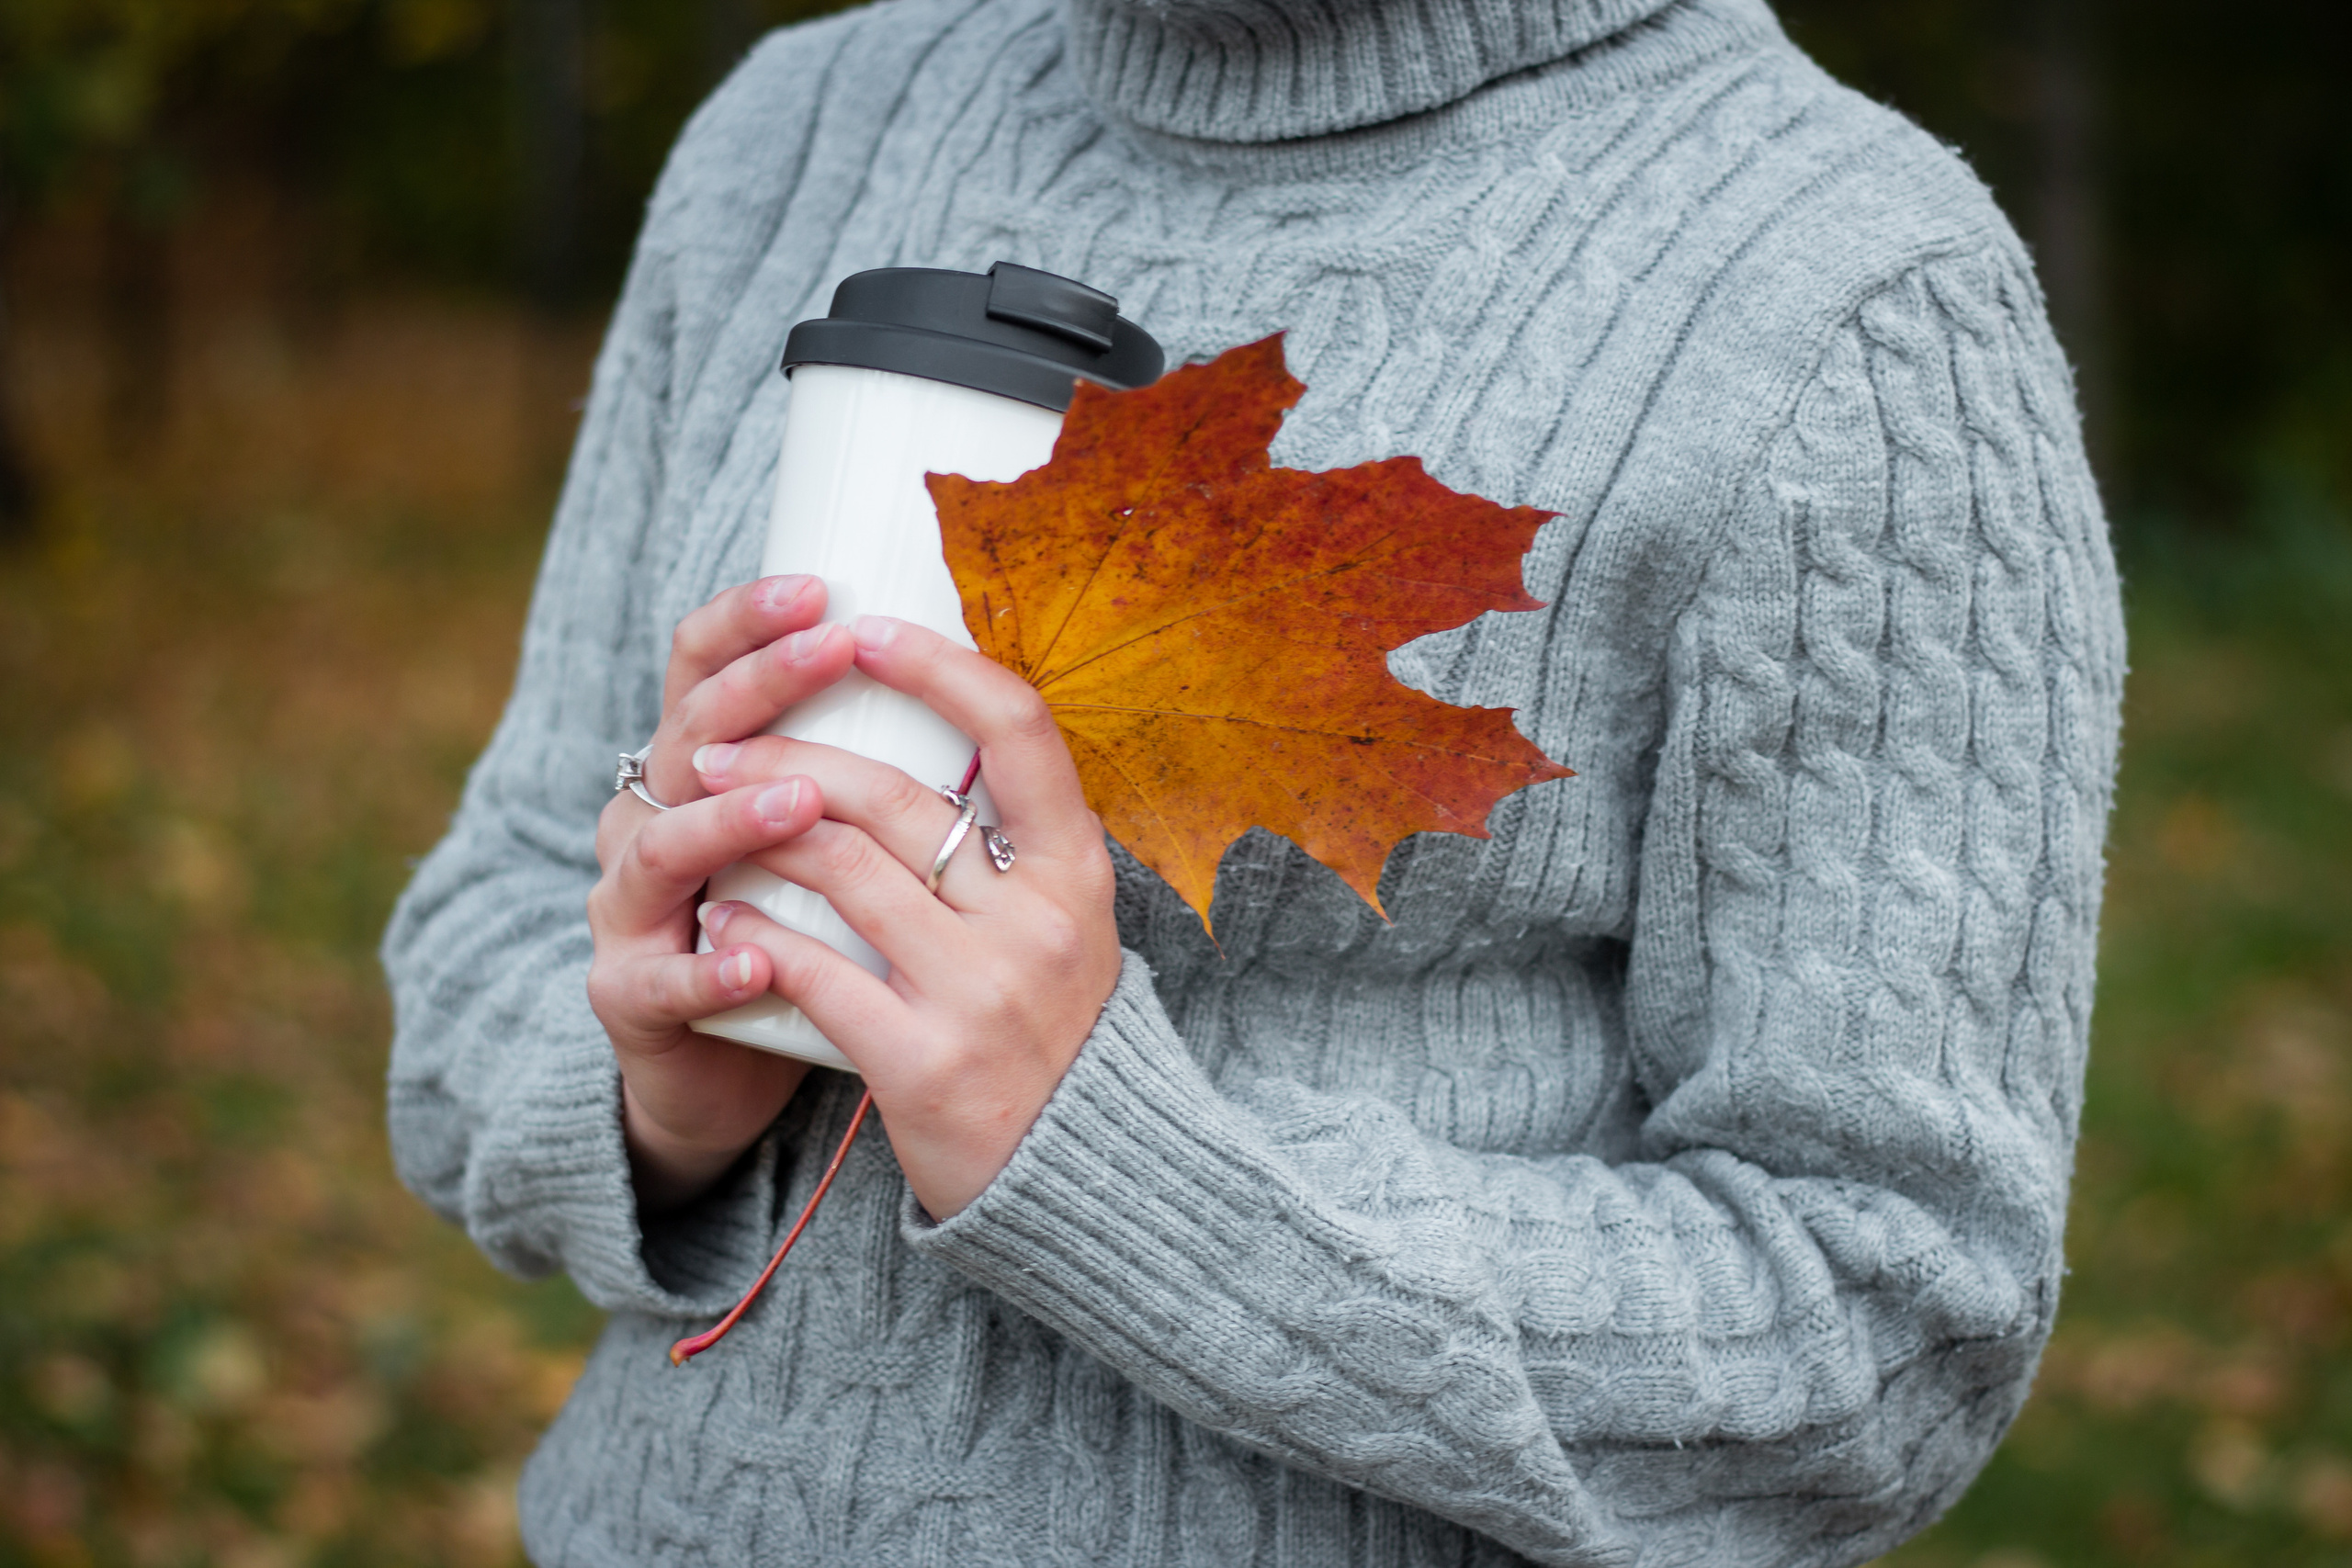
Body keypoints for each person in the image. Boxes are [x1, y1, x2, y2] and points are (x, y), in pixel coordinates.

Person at [382, 0, 2125, 1561]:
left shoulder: (1848, 291)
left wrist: (1114, 1163)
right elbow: (499, 911)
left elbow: (1888, 1325)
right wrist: (656, 1102)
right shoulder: (801, 126)